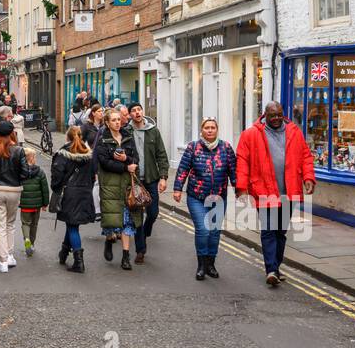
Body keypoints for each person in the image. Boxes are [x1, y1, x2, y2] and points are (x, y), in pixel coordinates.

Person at [236, 101, 316, 287]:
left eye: (279, 114)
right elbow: (242, 161)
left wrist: (308, 178)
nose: (276, 118)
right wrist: (241, 188)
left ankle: (276, 267)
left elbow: (306, 157)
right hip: (264, 189)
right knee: (269, 230)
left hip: (289, 191)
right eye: (273, 115)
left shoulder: (294, 131)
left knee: (281, 231)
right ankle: (271, 269)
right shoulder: (251, 134)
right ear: (265, 115)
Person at [175, 118, 237, 280]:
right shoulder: (193, 147)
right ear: (201, 130)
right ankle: (201, 265)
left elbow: (233, 170)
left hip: (218, 197)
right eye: (206, 128)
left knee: (214, 232)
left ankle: (211, 264)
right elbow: (183, 169)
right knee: (203, 230)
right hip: (197, 197)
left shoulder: (226, 148)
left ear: (217, 130)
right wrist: (177, 189)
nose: (210, 130)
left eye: (213, 128)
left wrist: (239, 189)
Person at [95, 107, 140, 270]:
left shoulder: (128, 137)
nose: (117, 122)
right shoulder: (102, 140)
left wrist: (127, 158)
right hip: (109, 184)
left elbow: (136, 158)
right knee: (111, 220)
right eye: (113, 120)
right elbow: (104, 162)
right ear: (107, 123)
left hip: (127, 184)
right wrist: (124, 166)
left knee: (127, 221)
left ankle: (126, 257)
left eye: (118, 119)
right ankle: (109, 240)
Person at [124, 102, 169, 264]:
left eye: (139, 110)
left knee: (153, 213)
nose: (137, 113)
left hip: (151, 179)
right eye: (133, 111)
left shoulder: (153, 131)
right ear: (129, 115)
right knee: (137, 217)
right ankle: (140, 250)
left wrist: (163, 177)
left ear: (142, 112)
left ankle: (147, 229)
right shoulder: (126, 132)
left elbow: (161, 155)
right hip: (134, 180)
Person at [0, 121, 29, 273]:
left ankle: (2, 261)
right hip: (15, 190)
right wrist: (17, 179)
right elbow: (25, 173)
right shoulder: (19, 150)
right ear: (11, 133)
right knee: (10, 224)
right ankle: (9, 255)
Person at [51, 126, 96, 273]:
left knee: (72, 226)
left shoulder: (63, 154)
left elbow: (57, 177)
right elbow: (92, 175)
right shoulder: (89, 154)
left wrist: (55, 187)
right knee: (72, 223)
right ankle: (64, 252)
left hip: (70, 193)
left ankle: (78, 262)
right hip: (85, 192)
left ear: (67, 137)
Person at [19, 143, 51, 257]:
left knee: (25, 223)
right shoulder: (40, 172)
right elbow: (45, 189)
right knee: (34, 224)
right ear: (32, 158)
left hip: (24, 205)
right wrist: (45, 203)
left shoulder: (19, 173)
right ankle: (32, 244)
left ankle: (26, 239)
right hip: (36, 205)